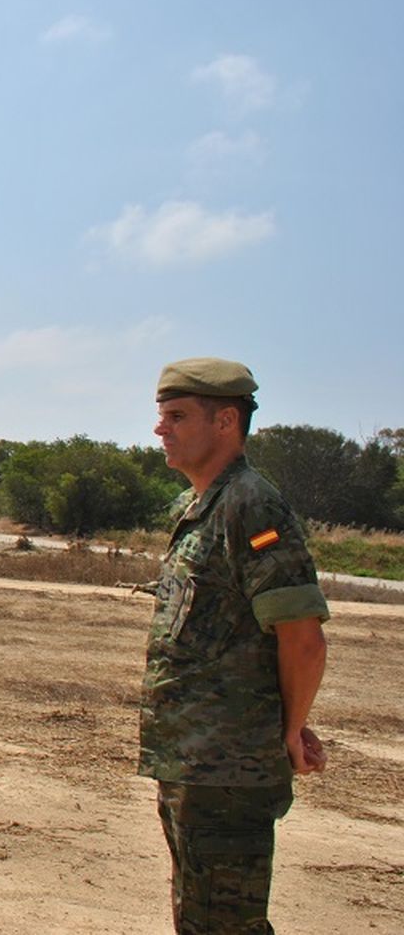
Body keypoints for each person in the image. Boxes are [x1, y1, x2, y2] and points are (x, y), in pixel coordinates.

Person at [142, 357, 330, 934]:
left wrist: (290, 729)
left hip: (230, 770)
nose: (159, 428)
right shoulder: (202, 506)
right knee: (199, 920)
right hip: (195, 764)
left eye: (176, 415)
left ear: (226, 422)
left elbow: (302, 637)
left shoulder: (251, 504)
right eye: (160, 415)